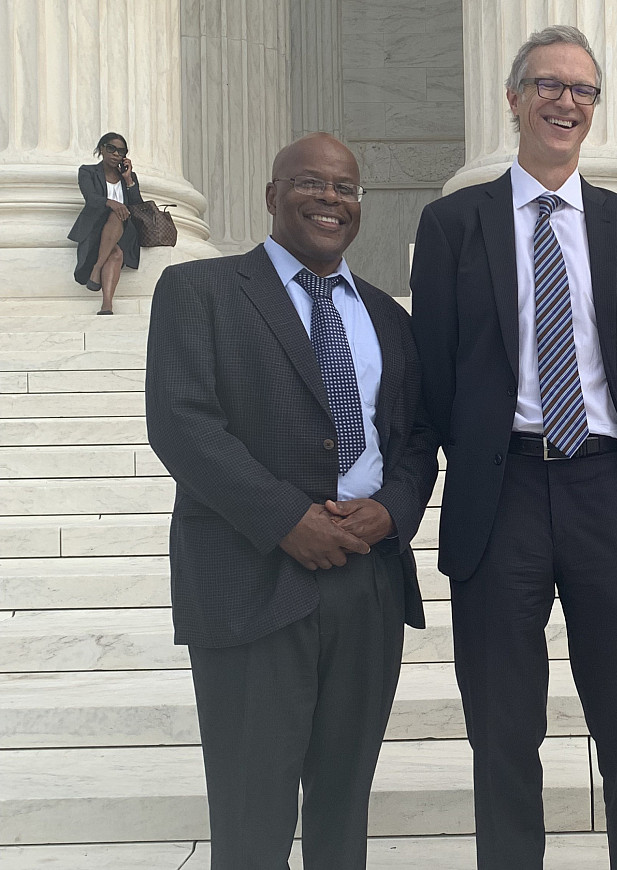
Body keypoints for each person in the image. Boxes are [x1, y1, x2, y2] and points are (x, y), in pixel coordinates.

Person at [409, 25, 617, 870]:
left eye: (583, 91)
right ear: (514, 98)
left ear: (595, 110)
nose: (566, 102)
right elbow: (435, 371)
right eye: (549, 85)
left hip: (607, 490)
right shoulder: (452, 224)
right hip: (504, 492)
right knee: (503, 728)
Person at [145, 132, 439, 869]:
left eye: (345, 188)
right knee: (251, 814)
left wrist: (393, 510)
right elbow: (181, 423)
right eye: (310, 183)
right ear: (273, 196)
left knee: (343, 808)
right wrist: (286, 520)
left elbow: (414, 440)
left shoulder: (390, 318)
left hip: (366, 585)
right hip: (253, 580)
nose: (330, 199)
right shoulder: (200, 292)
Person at [67, 132, 143, 314]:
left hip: (124, 231)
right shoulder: (87, 172)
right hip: (96, 228)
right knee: (116, 253)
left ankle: (97, 269)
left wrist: (128, 179)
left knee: (118, 215)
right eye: (112, 148)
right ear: (102, 149)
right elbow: (91, 198)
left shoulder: (129, 177)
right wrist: (112, 203)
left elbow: (137, 205)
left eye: (121, 151)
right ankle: (107, 305)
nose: (116, 154)